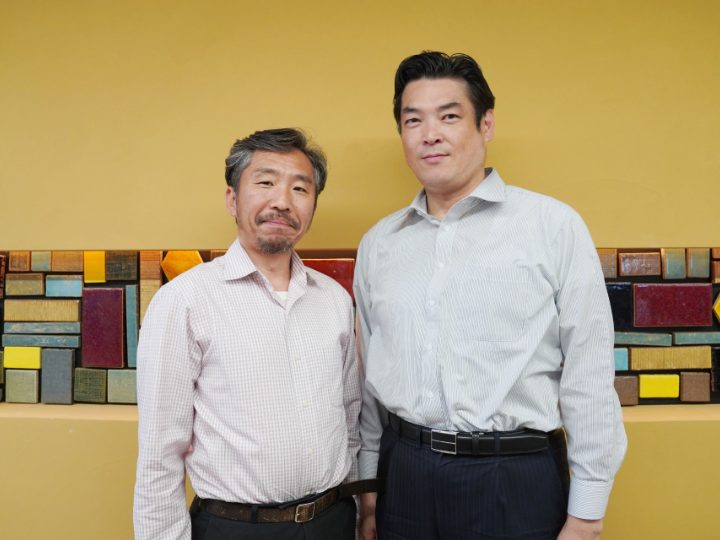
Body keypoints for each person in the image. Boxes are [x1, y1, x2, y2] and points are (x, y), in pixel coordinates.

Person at [354, 52, 627, 540]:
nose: (429, 134)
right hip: (405, 476)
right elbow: (369, 378)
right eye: (413, 120)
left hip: (514, 476)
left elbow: (588, 372)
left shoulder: (553, 226)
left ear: (486, 125)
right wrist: (369, 490)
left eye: (449, 116)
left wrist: (587, 514)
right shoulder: (380, 243)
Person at [134, 128, 361, 540]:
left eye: (300, 188)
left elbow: (350, 418)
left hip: (333, 521)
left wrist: (358, 514)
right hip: (236, 527)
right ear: (232, 199)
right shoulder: (185, 301)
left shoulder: (333, 300)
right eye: (265, 182)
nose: (282, 201)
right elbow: (159, 455)